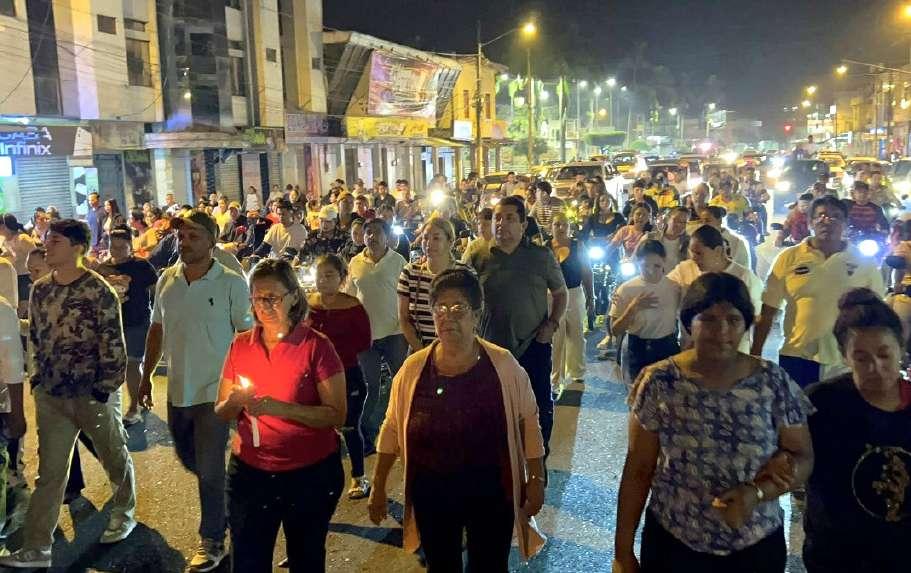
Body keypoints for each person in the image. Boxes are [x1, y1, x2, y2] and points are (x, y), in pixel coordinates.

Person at [613, 272, 814, 573]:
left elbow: (803, 457)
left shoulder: (773, 382)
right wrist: (622, 552)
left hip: (754, 546)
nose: (721, 331)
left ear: (746, 324)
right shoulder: (660, 381)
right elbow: (638, 468)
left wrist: (756, 493)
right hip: (673, 543)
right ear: (688, 323)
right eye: (708, 319)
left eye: (733, 320)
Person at [368, 268, 547, 570]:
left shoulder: (503, 365)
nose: (447, 316)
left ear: (476, 315)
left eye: (458, 307)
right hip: (432, 491)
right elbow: (392, 428)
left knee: (489, 566)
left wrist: (536, 479)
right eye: (440, 308)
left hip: (492, 490)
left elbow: (528, 422)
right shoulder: (413, 369)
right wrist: (379, 485)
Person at [0, 220, 137, 569]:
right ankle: (37, 547)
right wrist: (36, 383)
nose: (47, 246)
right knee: (50, 473)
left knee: (113, 455)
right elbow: (37, 339)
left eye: (55, 241)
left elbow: (114, 343)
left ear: (78, 247)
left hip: (92, 394)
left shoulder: (98, 289)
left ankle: (124, 511)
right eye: (47, 240)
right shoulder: (41, 289)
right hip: (52, 396)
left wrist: (104, 389)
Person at [138, 210, 253, 572]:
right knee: (190, 459)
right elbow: (157, 329)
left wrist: (245, 383)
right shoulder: (167, 280)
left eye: (194, 237)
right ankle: (228, 498)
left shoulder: (231, 282)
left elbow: (247, 335)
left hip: (216, 390)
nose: (185, 243)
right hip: (178, 388)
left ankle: (212, 539)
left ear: (212, 242)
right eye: (181, 237)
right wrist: (145, 376)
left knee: (208, 466)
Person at [214, 258, 345, 572]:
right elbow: (221, 410)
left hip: (309, 475)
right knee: (247, 560)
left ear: (293, 297)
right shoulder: (240, 345)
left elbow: (336, 415)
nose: (264, 306)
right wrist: (236, 401)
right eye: (257, 298)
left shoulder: (316, 347)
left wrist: (280, 408)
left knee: (306, 558)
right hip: (251, 474)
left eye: (272, 297)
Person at [801, 289, 909, 572]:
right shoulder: (821, 402)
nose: (875, 367)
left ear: (901, 348)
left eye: (884, 355)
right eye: (861, 358)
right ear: (845, 356)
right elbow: (793, 458)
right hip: (835, 556)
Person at [466, 196, 567, 460]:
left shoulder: (541, 256)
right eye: (497, 218)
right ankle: (501, 461)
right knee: (493, 407)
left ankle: (538, 459)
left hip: (533, 345)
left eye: (510, 218)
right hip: (491, 349)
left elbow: (560, 293)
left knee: (538, 405)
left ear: (523, 224)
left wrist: (552, 324)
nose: (502, 223)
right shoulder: (478, 256)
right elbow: (462, 291)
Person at [753, 195, 885, 388]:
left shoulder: (864, 262)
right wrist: (755, 356)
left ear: (845, 224)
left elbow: (877, 314)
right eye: (821, 216)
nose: (827, 221)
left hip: (845, 359)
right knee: (797, 408)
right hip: (796, 355)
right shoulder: (788, 258)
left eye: (835, 216)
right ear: (810, 222)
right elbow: (767, 313)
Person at [308, 254, 373, 499]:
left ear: (342, 278)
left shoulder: (353, 307)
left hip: (348, 375)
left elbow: (364, 341)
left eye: (329, 275)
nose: (323, 281)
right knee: (318, 429)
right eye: (319, 275)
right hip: (316, 378)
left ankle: (359, 477)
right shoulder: (309, 303)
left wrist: (333, 351)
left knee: (349, 427)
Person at [345, 219, 408, 447]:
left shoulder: (398, 261)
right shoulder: (355, 262)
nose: (371, 236)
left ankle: (402, 428)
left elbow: (407, 295)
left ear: (387, 236)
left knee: (400, 381)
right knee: (370, 385)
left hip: (394, 333)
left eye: (377, 232)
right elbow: (350, 296)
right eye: (368, 232)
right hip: (366, 337)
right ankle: (367, 434)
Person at [95, 228, 159, 426]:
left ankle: (133, 407)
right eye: (113, 247)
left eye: (121, 247)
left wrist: (160, 317)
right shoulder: (102, 269)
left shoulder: (142, 266)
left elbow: (156, 291)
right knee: (112, 367)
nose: (116, 251)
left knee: (132, 363)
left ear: (130, 247)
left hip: (137, 322)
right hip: (111, 324)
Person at [668, 225, 763, 352]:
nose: (693, 258)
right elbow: (663, 289)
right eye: (691, 252)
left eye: (699, 253)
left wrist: (756, 351)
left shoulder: (744, 277)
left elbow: (756, 318)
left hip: (732, 353)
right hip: (693, 352)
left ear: (718, 251)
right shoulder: (684, 269)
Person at [609, 240, 681, 383]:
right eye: (645, 266)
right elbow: (615, 330)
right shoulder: (627, 289)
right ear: (637, 263)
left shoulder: (674, 287)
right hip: (638, 349)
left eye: (657, 266)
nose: (651, 271)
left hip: (668, 347)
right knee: (638, 392)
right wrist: (633, 308)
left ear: (664, 261)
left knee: (668, 393)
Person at [398, 217, 470, 352]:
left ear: (450, 242)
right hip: (420, 350)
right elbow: (403, 318)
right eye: (425, 238)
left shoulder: (465, 273)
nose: (429, 243)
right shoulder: (410, 272)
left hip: (457, 350)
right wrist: (423, 352)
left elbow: (473, 315)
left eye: (436, 238)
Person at [549, 213, 593, 391]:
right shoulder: (545, 248)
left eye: (564, 225)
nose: (560, 228)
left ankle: (577, 373)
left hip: (574, 293)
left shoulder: (578, 246)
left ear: (569, 227)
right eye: (556, 224)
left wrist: (591, 298)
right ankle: (555, 378)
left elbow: (587, 272)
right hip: (551, 296)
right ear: (550, 227)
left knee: (576, 334)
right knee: (555, 337)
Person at [697, 205, 751, 270]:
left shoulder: (737, 242)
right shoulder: (697, 241)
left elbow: (743, 268)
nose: (703, 224)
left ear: (719, 221)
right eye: (701, 221)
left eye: (707, 220)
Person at [0, 213, 35, 309]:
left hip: (25, 275)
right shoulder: (3, 241)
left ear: (5, 226)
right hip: (12, 276)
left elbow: (35, 255)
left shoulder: (22, 238)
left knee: (24, 304)